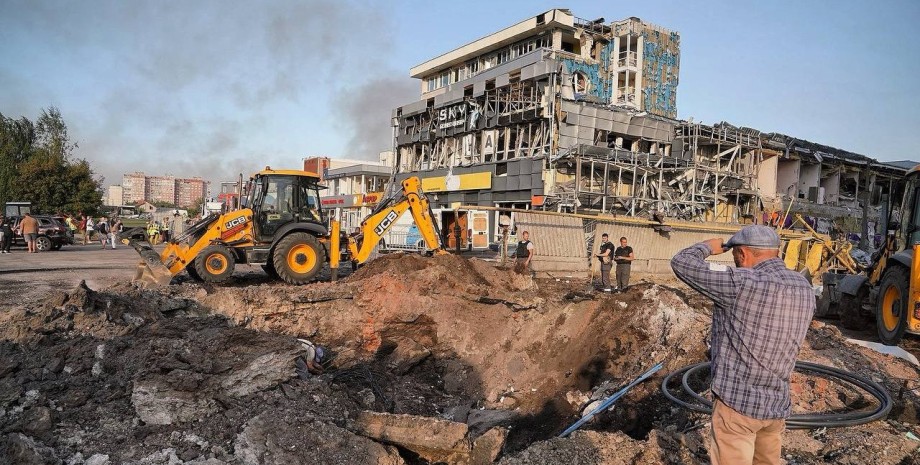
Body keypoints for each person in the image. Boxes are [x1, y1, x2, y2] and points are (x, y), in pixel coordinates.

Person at [670, 225, 814, 465]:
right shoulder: (804, 287)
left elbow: (682, 262)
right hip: (775, 406)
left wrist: (708, 247)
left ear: (743, 254)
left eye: (736, 257)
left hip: (738, 405)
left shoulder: (741, 283)